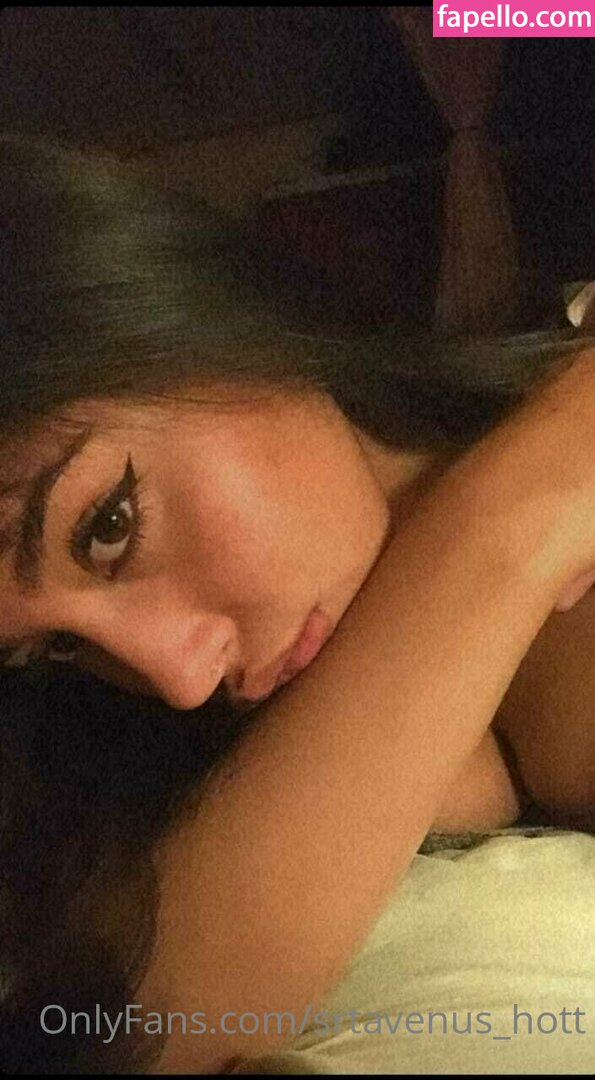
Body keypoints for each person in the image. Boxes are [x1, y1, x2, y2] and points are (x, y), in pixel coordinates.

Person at [1, 132, 594, 1074]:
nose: (181, 680)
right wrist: (506, 523)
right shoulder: (146, 798)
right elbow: (124, 1034)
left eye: (109, 525)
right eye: (56, 649)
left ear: (199, 313)